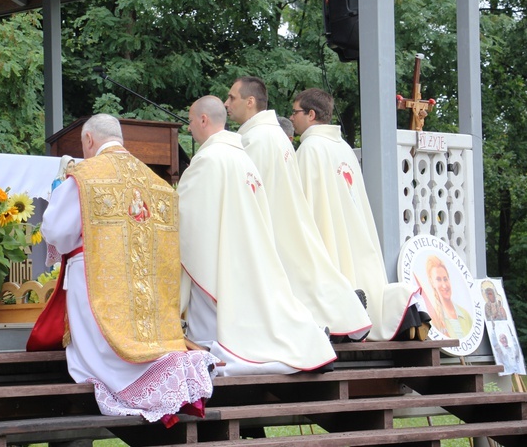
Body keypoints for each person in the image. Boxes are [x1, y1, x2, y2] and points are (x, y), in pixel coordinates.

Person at [30, 113, 217, 426]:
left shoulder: (85, 175)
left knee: (105, 352)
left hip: (95, 278)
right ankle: (168, 371)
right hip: (144, 280)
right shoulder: (156, 183)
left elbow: (59, 232)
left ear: (88, 140)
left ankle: (142, 383)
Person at [179, 95, 336, 375]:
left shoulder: (207, 159)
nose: (188, 128)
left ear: (203, 120)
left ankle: (223, 353)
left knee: (220, 328)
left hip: (219, 256)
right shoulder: (241, 156)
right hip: (247, 251)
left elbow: (186, 217)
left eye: (190, 122)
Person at [225, 77, 371, 342]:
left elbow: (250, 191)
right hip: (312, 223)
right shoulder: (332, 146)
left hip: (280, 221)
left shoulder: (271, 141)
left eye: (231, 97)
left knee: (298, 279)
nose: (227, 103)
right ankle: (342, 310)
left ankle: (329, 318)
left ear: (249, 101)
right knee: (308, 274)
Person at [291, 88, 427, 341]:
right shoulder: (342, 146)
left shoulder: (310, 148)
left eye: (295, 111)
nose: (291, 117)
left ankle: (344, 321)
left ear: (311, 114)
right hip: (353, 229)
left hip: (328, 228)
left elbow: (301, 203)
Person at [425, 255, 472, 338]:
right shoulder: (433, 318)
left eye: (445, 279)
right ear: (432, 283)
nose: (444, 285)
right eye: (438, 279)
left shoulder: (465, 315)